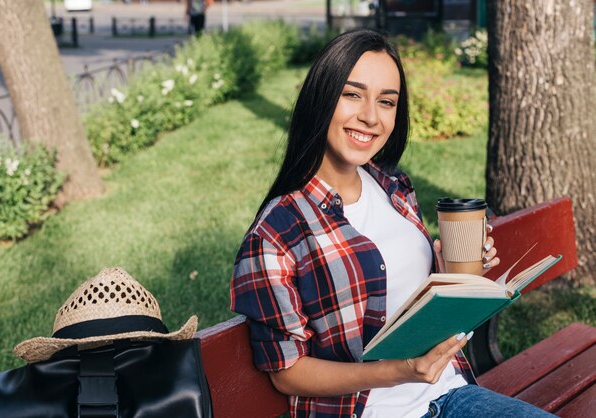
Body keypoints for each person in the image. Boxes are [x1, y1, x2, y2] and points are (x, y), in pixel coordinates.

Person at [230, 29, 555, 418]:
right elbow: (286, 373)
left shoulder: (392, 184)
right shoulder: (277, 233)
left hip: (451, 394)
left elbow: (413, 300)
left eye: (387, 102)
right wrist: (397, 372)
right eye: (352, 94)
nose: (370, 116)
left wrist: (457, 272)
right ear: (321, 97)